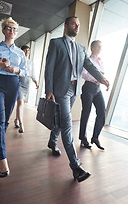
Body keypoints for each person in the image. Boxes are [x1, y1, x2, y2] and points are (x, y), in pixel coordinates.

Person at [44, 16, 109, 182]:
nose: (77, 26)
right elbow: (49, 67)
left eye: (79, 24)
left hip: (74, 90)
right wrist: (49, 89)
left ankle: (52, 142)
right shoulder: (56, 43)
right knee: (67, 124)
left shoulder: (81, 48)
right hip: (60, 90)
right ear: (66, 26)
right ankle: (76, 166)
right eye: (74, 23)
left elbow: (89, 66)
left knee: (60, 121)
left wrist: (102, 79)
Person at [0, 17, 27, 178]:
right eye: (8, 28)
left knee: (6, 120)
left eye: (14, 29)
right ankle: (2, 159)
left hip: (13, 84)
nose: (12, 31)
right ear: (3, 30)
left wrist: (16, 70)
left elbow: (25, 72)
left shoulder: (20, 52)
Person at [79, 40, 106, 150]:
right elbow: (84, 74)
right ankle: (83, 138)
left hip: (98, 89)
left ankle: (95, 137)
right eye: (98, 46)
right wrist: (96, 78)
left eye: (101, 47)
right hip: (88, 88)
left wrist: (100, 78)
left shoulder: (101, 61)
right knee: (86, 112)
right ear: (92, 47)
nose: (100, 49)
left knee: (102, 111)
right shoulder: (88, 60)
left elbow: (102, 73)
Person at [13, 45, 39, 133]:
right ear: (22, 51)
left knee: (20, 102)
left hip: (26, 83)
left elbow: (33, 74)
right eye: (25, 50)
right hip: (18, 82)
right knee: (20, 102)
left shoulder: (30, 62)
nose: (27, 52)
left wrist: (36, 82)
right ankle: (21, 124)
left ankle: (16, 119)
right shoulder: (18, 61)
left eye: (28, 50)